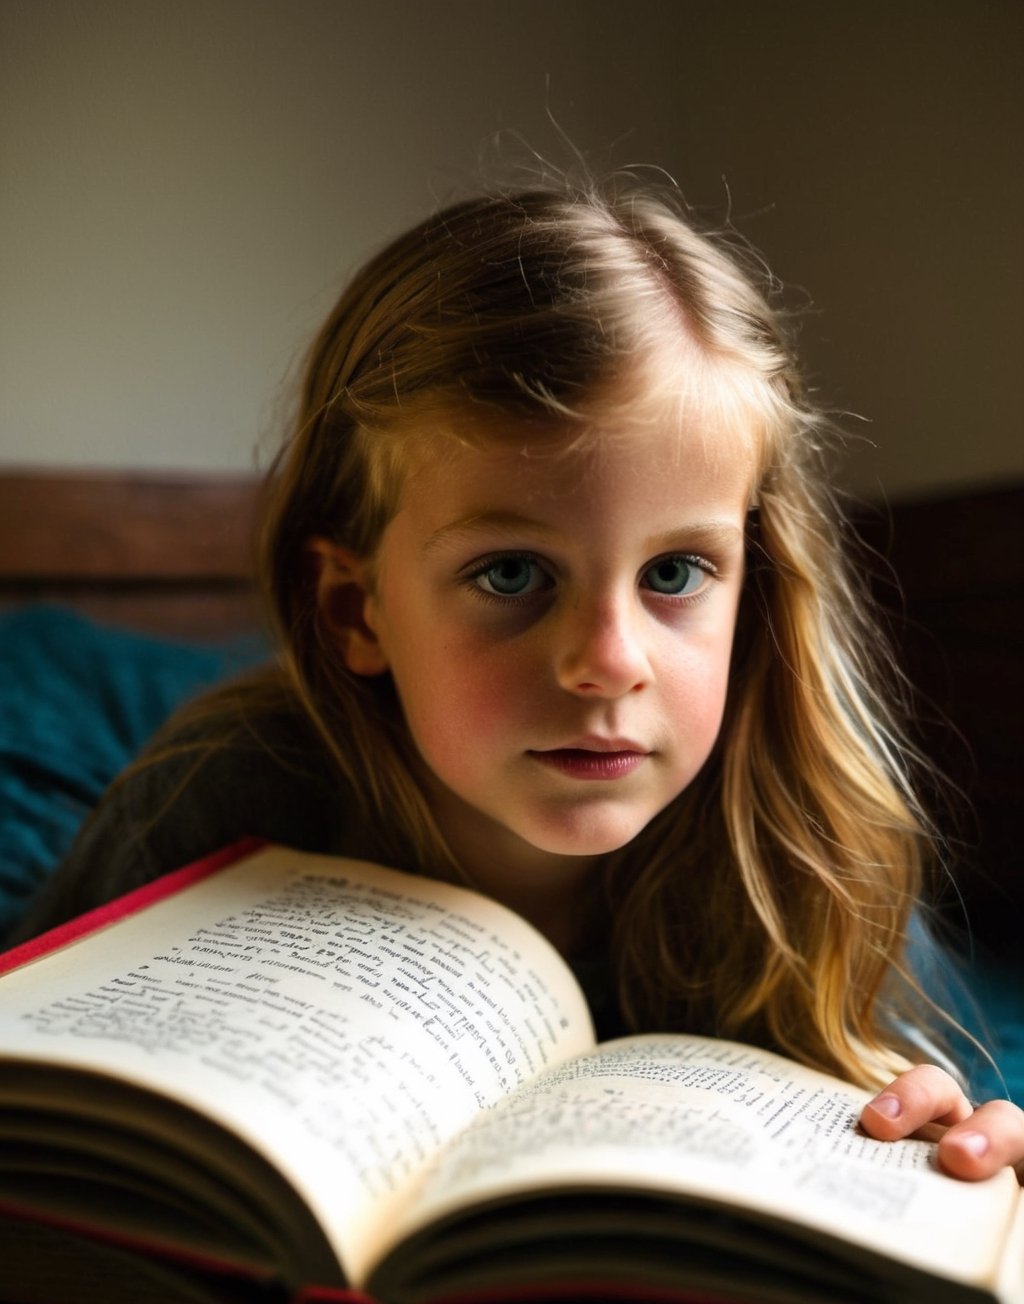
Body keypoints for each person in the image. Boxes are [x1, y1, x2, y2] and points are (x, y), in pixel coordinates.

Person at [15, 177, 1023, 1180]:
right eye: (512, 575)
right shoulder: (219, 788)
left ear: (751, 593)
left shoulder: (805, 845)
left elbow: (913, 1094)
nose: (608, 662)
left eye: (674, 574)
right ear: (354, 610)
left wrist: (947, 1132)